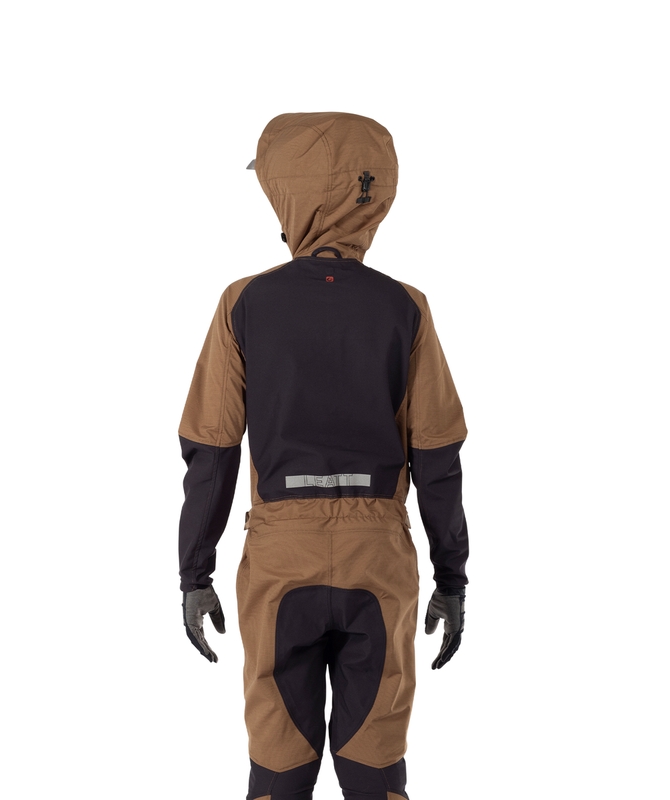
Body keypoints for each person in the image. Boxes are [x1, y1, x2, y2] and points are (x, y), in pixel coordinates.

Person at [178, 112, 469, 800]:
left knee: (278, 772)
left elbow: (212, 451)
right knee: (376, 769)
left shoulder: (244, 303)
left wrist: (194, 572)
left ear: (289, 194)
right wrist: (452, 578)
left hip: (280, 562)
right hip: (380, 560)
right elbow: (438, 457)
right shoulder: (406, 308)